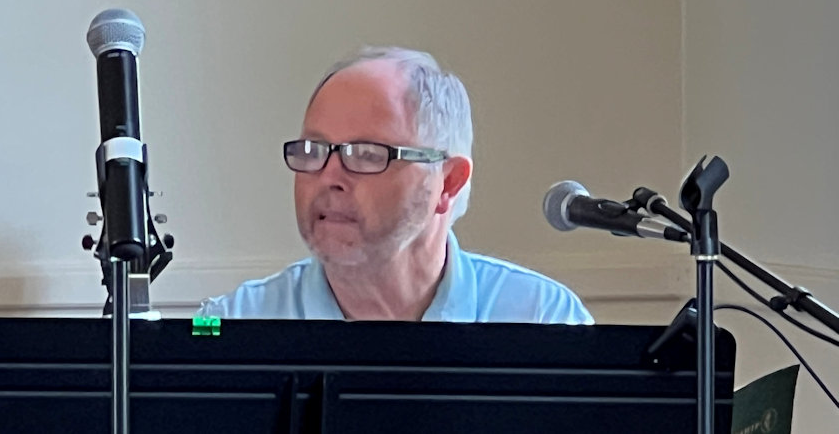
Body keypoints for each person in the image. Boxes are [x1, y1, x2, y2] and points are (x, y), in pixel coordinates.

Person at [198, 46, 593, 324]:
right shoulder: (236, 322)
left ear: (448, 183)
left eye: (366, 154)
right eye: (313, 150)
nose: (329, 177)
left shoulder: (542, 318)